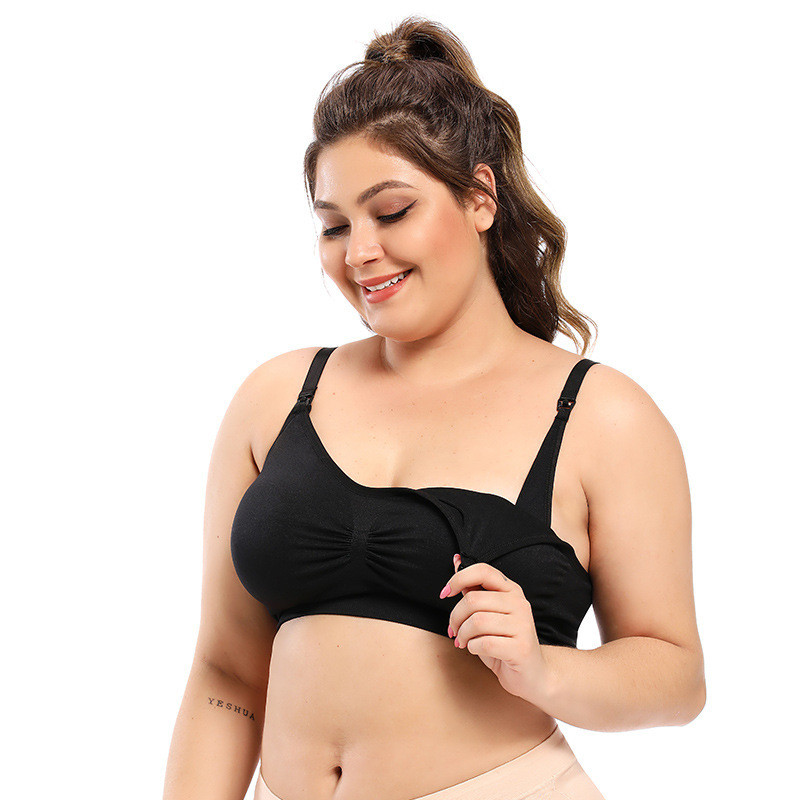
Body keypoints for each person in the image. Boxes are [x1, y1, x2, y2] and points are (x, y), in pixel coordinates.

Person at [163, 15, 705, 800]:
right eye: (334, 225)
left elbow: (676, 677)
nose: (359, 253)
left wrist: (545, 669)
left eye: (391, 213)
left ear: (480, 198)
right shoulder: (276, 398)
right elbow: (225, 673)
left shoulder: (602, 416)